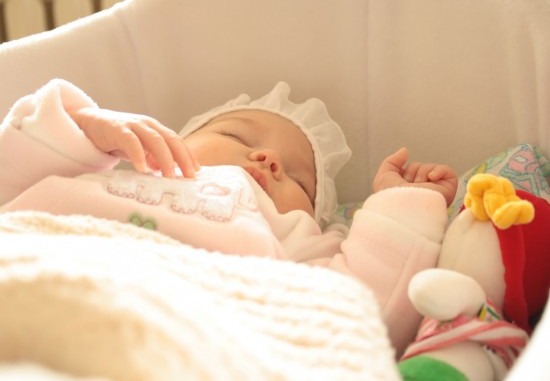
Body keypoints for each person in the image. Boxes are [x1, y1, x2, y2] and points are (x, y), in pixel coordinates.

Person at [0, 79, 457, 356]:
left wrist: (401, 207)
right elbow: (10, 179)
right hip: (34, 266)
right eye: (234, 134)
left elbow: (360, 312)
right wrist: (86, 126)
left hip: (174, 331)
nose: (268, 157)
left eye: (300, 180)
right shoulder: (97, 172)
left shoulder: (296, 238)